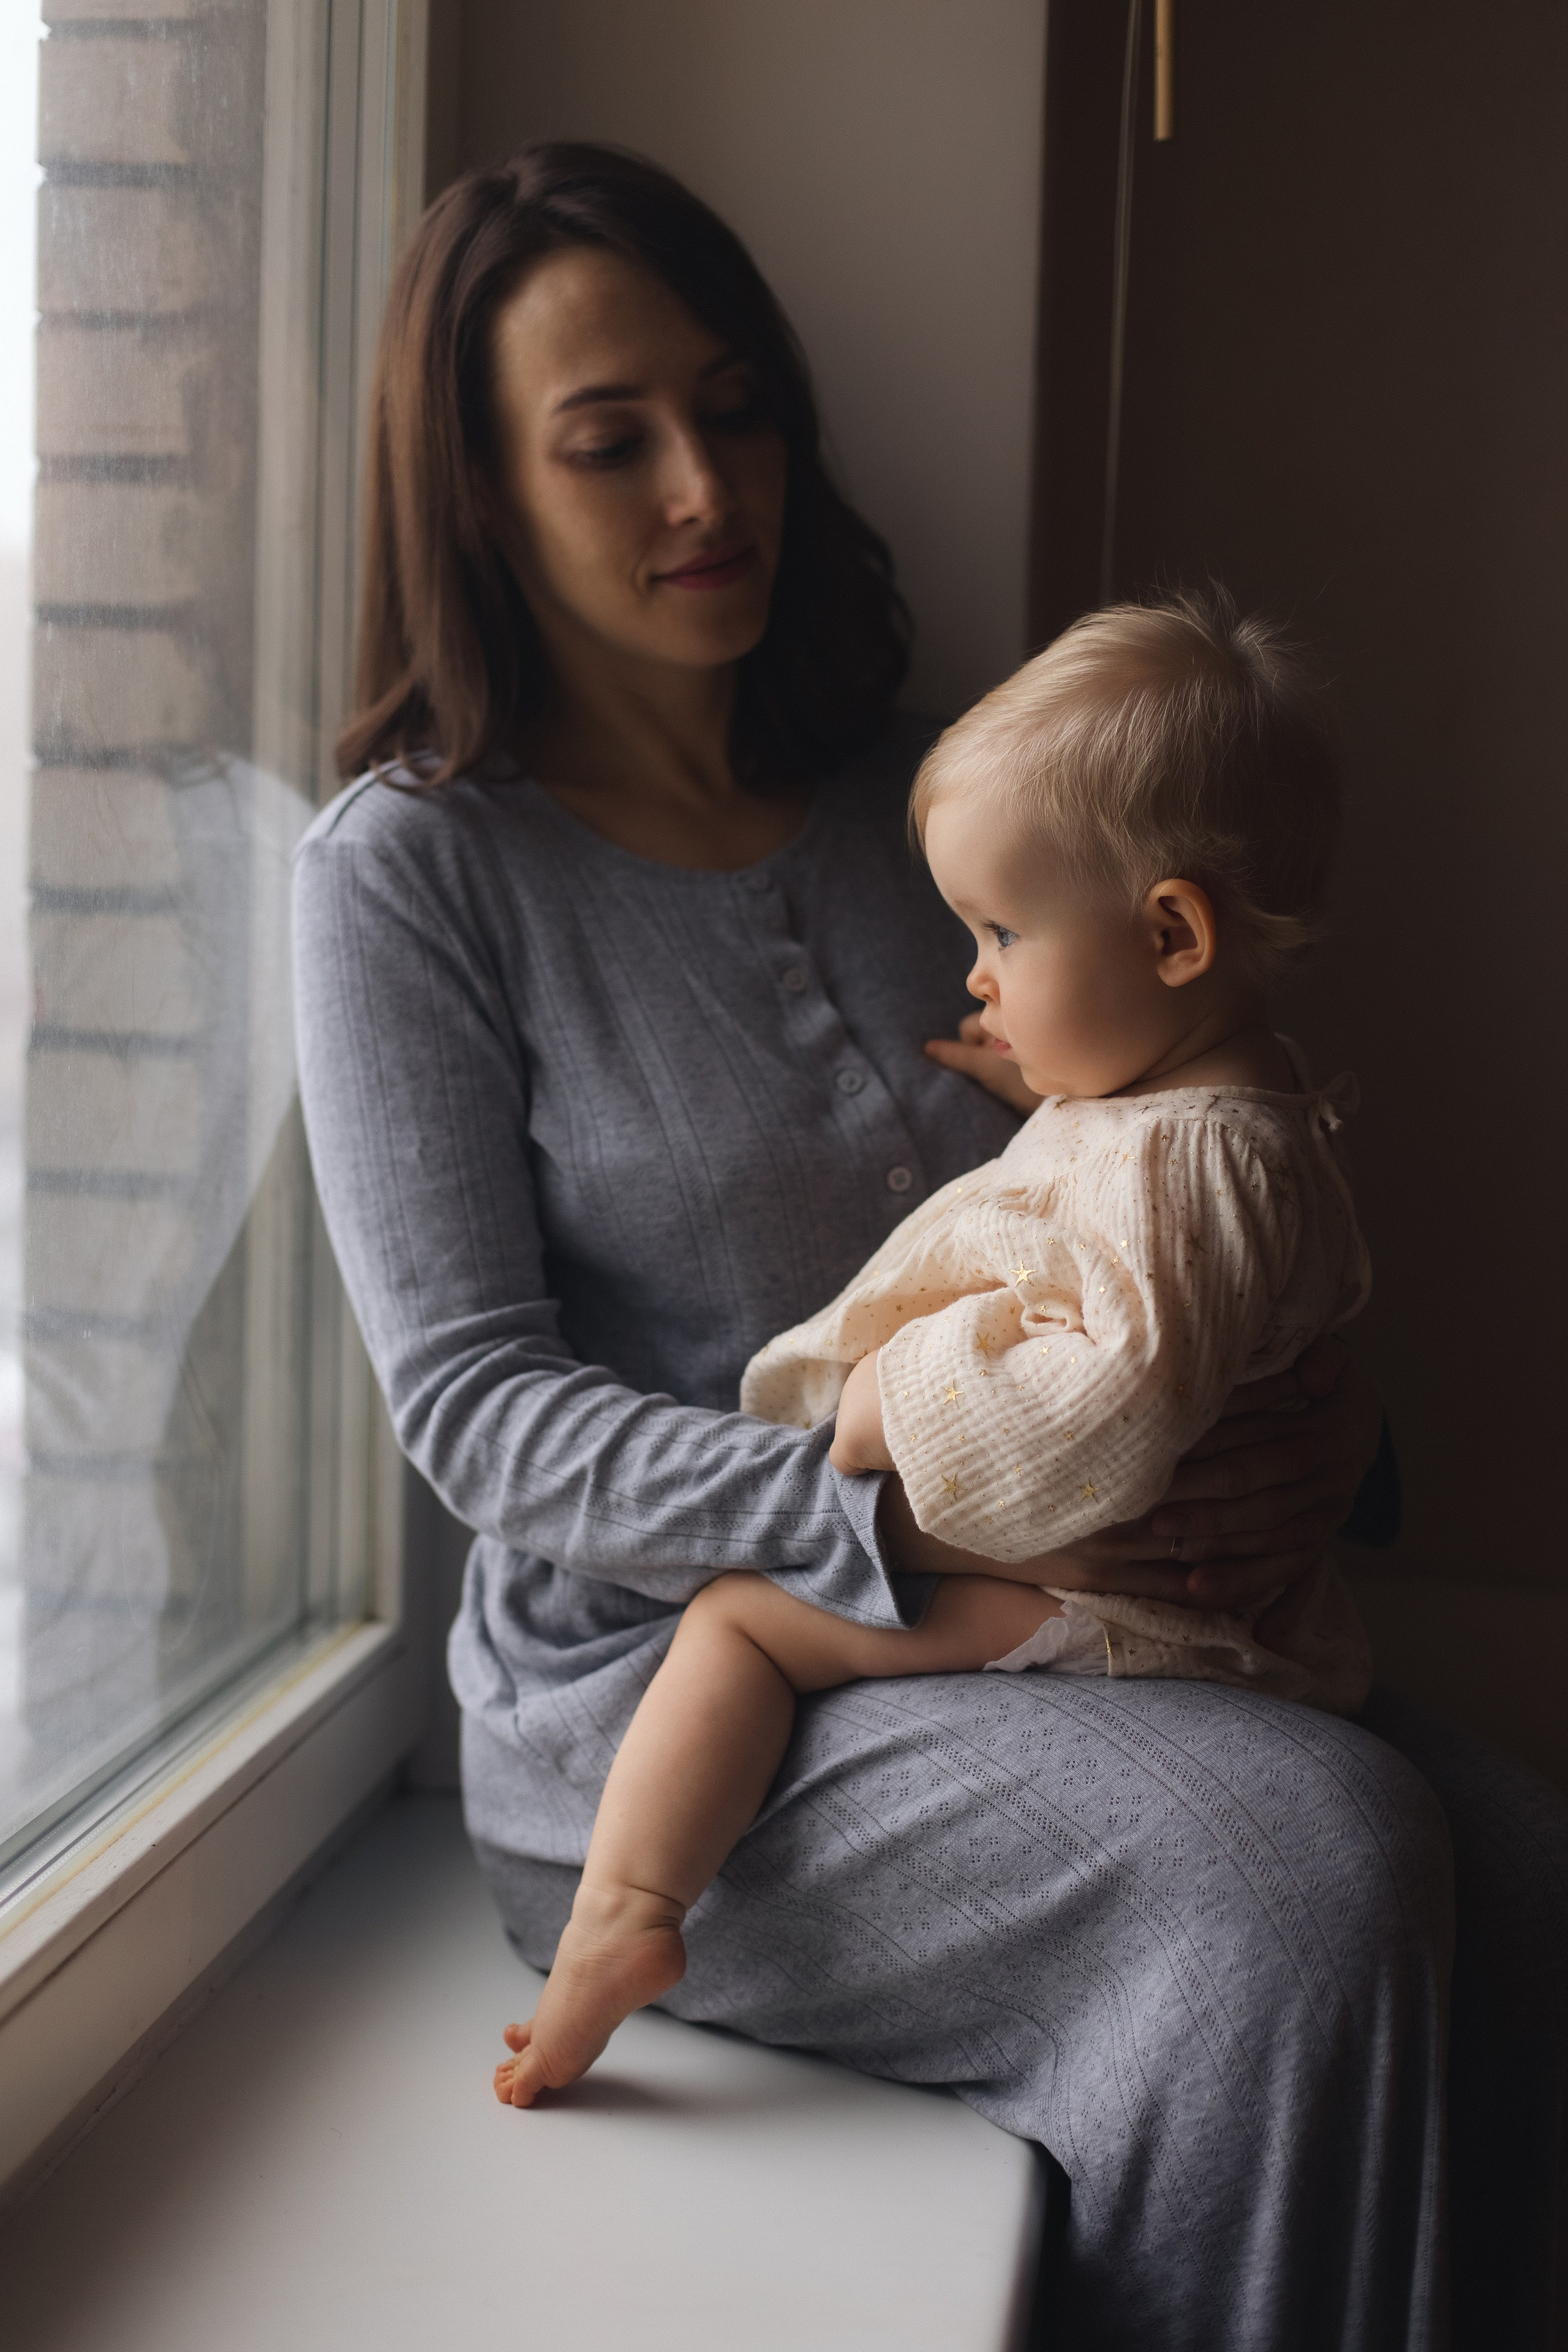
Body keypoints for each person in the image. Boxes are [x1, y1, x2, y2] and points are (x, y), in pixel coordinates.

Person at [292, 144, 1567, 2349]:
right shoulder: (411, 875)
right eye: (610, 441)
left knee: (1525, 1868)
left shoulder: (960, 805)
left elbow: (1179, 1188)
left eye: (736, 410)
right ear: (480, 494)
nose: (707, 486)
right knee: (1312, 1884)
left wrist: (1319, 1435)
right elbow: (478, 1411)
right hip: (678, 1699)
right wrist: (898, 1513)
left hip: (1070, 1613)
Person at [495, 592, 1380, 2109]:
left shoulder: (1178, 1160)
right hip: (1168, 1600)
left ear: (1170, 936)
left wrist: (888, 1409)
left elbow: (1107, 1406)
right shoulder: (1215, 1114)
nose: (972, 974)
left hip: (1115, 1607)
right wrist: (1060, 1101)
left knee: (740, 1624)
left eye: (1002, 935)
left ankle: (627, 1912)